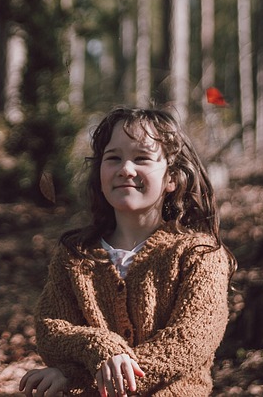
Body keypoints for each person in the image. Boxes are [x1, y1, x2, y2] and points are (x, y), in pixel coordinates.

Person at [18, 106, 234, 397]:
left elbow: (189, 342)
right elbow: (51, 330)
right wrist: (101, 350)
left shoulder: (200, 255)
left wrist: (75, 379)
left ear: (172, 178)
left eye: (142, 158)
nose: (126, 169)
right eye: (113, 158)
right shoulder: (76, 255)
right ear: (100, 172)